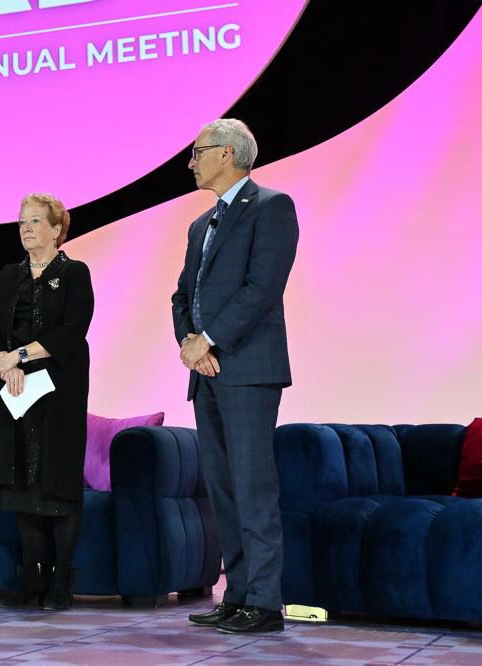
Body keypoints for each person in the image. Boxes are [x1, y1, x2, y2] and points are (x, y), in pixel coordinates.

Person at [173, 119, 299, 633]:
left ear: (227, 153)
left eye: (198, 152)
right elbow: (183, 295)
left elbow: (262, 287)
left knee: (252, 486)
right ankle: (238, 595)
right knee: (222, 489)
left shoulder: (271, 206)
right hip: (207, 371)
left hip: (247, 370)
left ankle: (265, 604)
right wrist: (191, 345)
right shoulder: (200, 225)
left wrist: (210, 339)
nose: (192, 162)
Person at [0, 193, 94, 611]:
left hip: (56, 390)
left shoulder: (75, 273)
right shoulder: (9, 274)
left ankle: (62, 581)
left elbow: (71, 331)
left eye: (34, 222)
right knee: (20, 484)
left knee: (56, 481)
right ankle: (33, 578)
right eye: (21, 222)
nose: (25, 229)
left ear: (56, 229)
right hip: (12, 389)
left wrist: (21, 357)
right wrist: (3, 361)